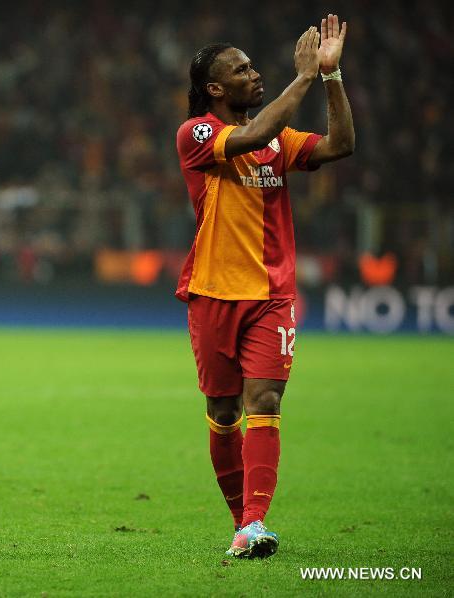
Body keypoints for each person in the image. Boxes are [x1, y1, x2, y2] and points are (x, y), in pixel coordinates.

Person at [174, 15, 355, 558]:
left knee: (265, 399)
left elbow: (341, 145)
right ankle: (241, 523)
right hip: (211, 293)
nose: (255, 75)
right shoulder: (198, 133)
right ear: (215, 88)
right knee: (224, 412)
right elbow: (252, 134)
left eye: (255, 67)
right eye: (242, 70)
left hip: (272, 297)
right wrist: (300, 78)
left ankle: (255, 522)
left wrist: (331, 76)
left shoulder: (281, 143)